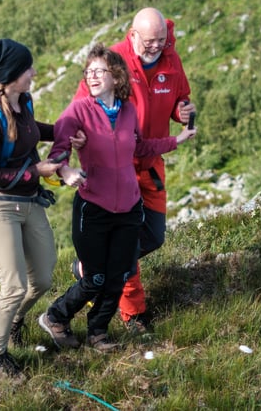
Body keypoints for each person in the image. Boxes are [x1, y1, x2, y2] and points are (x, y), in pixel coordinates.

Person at [38, 45, 196, 352]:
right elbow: (58, 152)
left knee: (120, 274)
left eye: (100, 71)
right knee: (95, 278)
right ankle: (55, 316)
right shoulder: (78, 111)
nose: (93, 76)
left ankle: (98, 332)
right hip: (93, 207)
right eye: (89, 71)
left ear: (117, 76)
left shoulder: (127, 111)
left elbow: (140, 147)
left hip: (129, 207)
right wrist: (66, 171)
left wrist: (176, 140)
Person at [72, 7, 195, 332]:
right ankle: (133, 314)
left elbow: (180, 97)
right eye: (149, 41)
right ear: (133, 34)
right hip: (115, 168)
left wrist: (181, 112)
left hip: (150, 161)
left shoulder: (171, 60)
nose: (155, 46)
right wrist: (78, 136)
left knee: (153, 235)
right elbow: (80, 106)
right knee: (124, 239)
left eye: (160, 40)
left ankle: (92, 268)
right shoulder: (113, 61)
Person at [0, 38, 83, 381]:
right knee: (14, 286)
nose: (33, 72)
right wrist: (35, 171)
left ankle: (15, 321)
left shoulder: (24, 102)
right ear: (11, 75)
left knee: (44, 277)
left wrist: (67, 134)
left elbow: (32, 133)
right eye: (27, 69)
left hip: (29, 202)